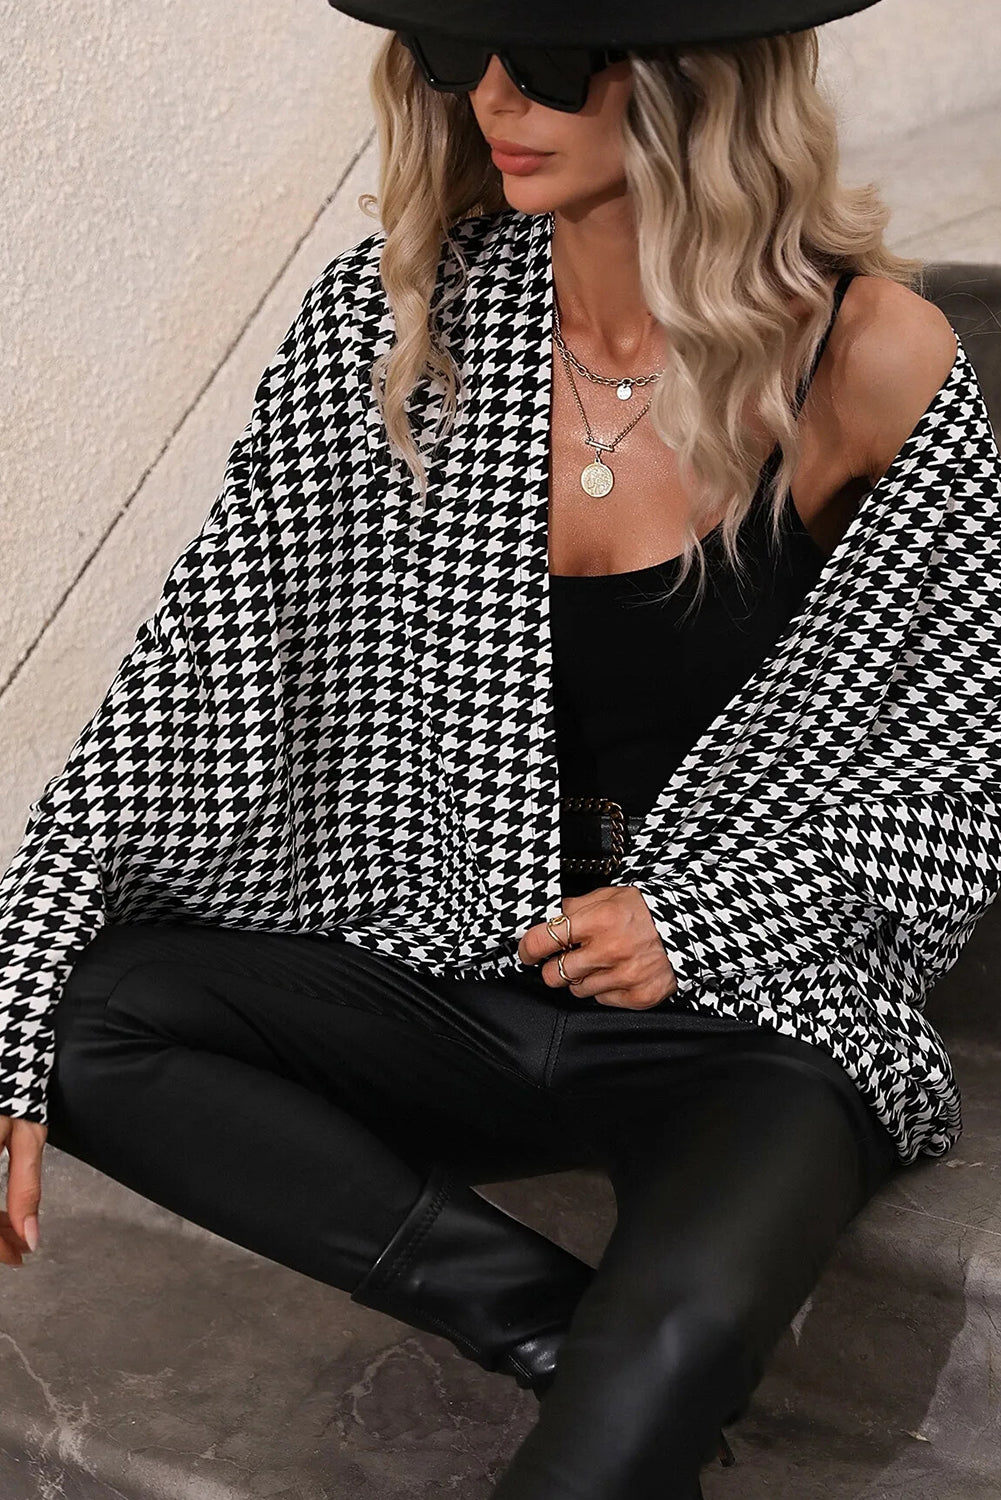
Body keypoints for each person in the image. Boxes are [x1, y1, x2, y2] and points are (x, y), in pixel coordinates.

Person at [3, 3, 1000, 1497]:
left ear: (699, 84)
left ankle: (625, 1360)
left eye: (545, 58)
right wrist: (16, 1006)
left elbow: (955, 775)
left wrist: (702, 921)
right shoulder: (400, 322)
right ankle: (545, 1320)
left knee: (654, 1380)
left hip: (745, 1016)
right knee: (81, 1012)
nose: (491, 98)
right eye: (453, 52)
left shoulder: (866, 354)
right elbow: (184, 681)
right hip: (450, 969)